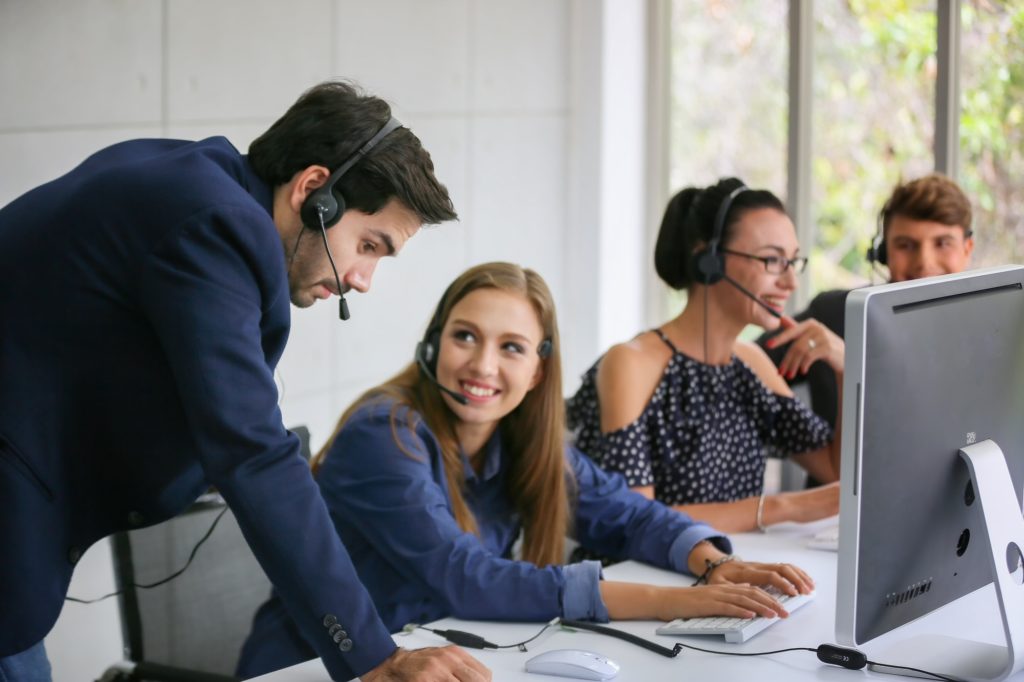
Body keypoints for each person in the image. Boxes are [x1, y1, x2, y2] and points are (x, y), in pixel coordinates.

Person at [0, 81, 491, 682]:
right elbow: (252, 449)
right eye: (368, 245)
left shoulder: (192, 179)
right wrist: (373, 656)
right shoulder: (215, 224)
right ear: (314, 192)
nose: (363, 278)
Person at [236, 261, 817, 678]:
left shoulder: (518, 440)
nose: (482, 364)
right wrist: (672, 603)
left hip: (440, 658)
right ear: (433, 346)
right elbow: (465, 577)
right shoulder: (383, 433)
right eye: (465, 337)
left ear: (538, 372)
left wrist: (713, 564)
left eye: (512, 347)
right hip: (317, 669)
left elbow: (625, 513)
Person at [568, 178, 844, 534]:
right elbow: (638, 522)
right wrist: (782, 506)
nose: (791, 281)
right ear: (709, 260)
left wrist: (847, 368)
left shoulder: (752, 363)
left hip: (730, 572)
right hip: (646, 578)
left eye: (793, 261)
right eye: (773, 260)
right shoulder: (631, 363)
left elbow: (836, 472)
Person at [757, 173, 974, 432]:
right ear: (882, 254)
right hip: (836, 474)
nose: (924, 262)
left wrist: (854, 368)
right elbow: (740, 371)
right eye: (905, 245)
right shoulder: (835, 315)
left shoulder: (993, 331)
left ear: (967, 249)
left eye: (942, 243)